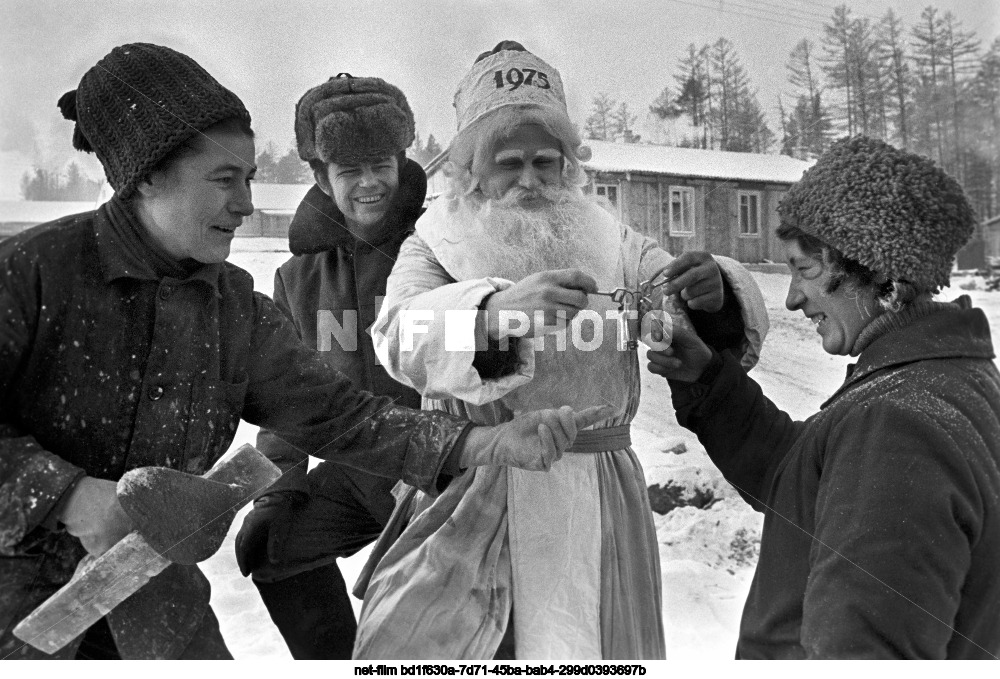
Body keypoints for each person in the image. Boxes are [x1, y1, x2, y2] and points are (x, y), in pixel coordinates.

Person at [0, 43, 605, 661]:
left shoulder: (239, 306)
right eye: (223, 180)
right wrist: (68, 496)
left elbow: (338, 413)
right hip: (20, 610)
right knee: (276, 542)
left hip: (164, 608)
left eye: (249, 179)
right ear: (147, 176)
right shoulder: (32, 275)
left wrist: (481, 443)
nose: (245, 204)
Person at [353, 41, 769, 660]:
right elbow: (398, 337)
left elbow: (669, 303)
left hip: (597, 495)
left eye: (545, 162)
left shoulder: (609, 235)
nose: (529, 179)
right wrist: (496, 314)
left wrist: (711, 294)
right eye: (509, 162)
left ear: (568, 164)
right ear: (472, 170)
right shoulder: (437, 239)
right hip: (478, 485)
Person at [649, 136, 1000, 659]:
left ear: (877, 269)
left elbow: (862, 652)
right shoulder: (946, 380)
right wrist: (710, 381)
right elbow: (803, 482)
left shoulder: (893, 425)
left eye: (805, 270)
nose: (791, 299)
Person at [234, 74, 430, 659]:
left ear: (401, 163)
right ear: (321, 177)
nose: (368, 183)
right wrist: (279, 486)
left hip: (445, 469)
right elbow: (283, 393)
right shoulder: (299, 278)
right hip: (357, 472)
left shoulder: (440, 249)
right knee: (271, 547)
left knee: (431, 605)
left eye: (380, 165)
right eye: (348, 171)